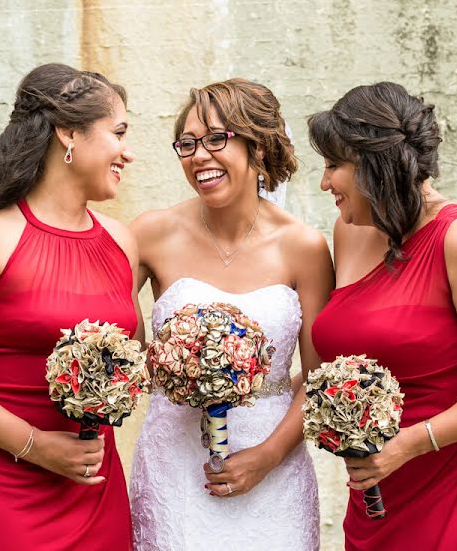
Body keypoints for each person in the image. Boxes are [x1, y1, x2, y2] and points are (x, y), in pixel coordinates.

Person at [0, 63, 140, 550]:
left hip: (93, 485)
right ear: (69, 133)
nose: (128, 152)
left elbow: (127, 360)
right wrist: (37, 446)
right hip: (1, 482)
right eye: (118, 133)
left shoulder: (122, 242)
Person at [308, 82, 457, 550]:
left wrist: (408, 444)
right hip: (379, 487)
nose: (324, 182)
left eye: (334, 165)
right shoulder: (350, 231)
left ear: (374, 165)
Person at [129, 79, 334, 550]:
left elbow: (321, 375)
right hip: (175, 469)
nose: (199, 155)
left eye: (217, 138)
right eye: (187, 143)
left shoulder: (303, 246)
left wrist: (269, 454)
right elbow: (105, 330)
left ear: (256, 145)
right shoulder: (149, 234)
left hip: (273, 469)